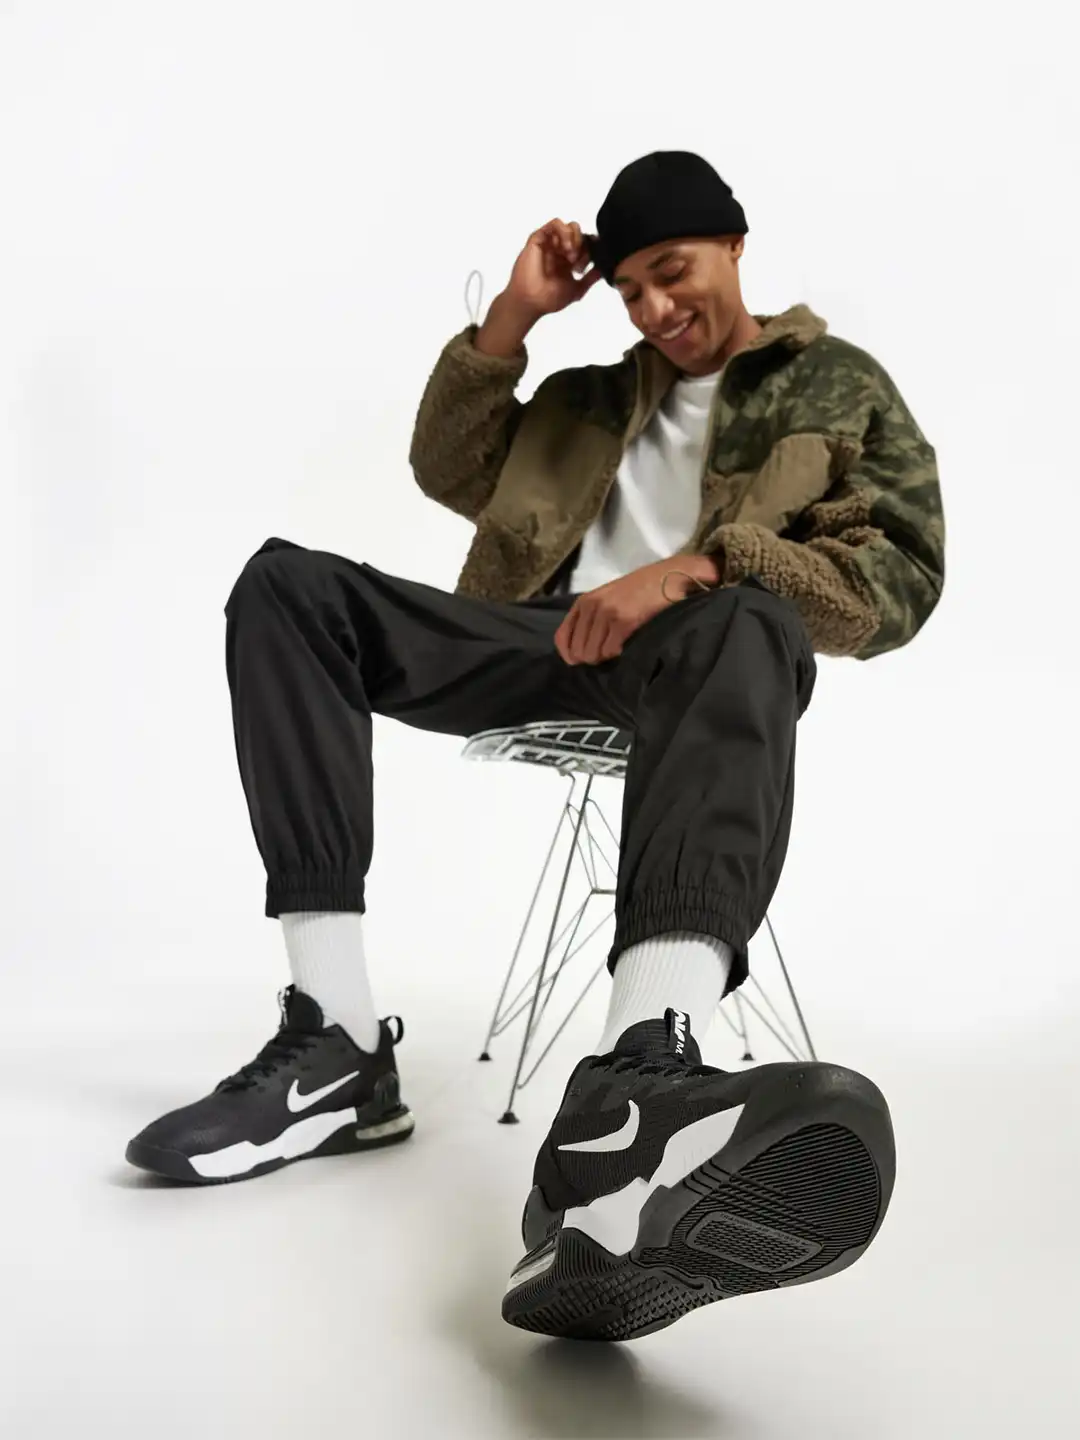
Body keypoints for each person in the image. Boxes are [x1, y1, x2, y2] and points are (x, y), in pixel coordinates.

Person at [127, 151, 944, 1341]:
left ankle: (636, 1081)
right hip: (542, 640)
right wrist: (516, 314)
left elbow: (901, 575)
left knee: (745, 619)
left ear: (735, 246)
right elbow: (448, 464)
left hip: (705, 654)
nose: (656, 307)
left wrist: (699, 568)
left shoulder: (838, 381)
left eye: (674, 272)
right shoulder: (585, 399)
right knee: (287, 588)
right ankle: (336, 1044)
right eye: (631, 290)